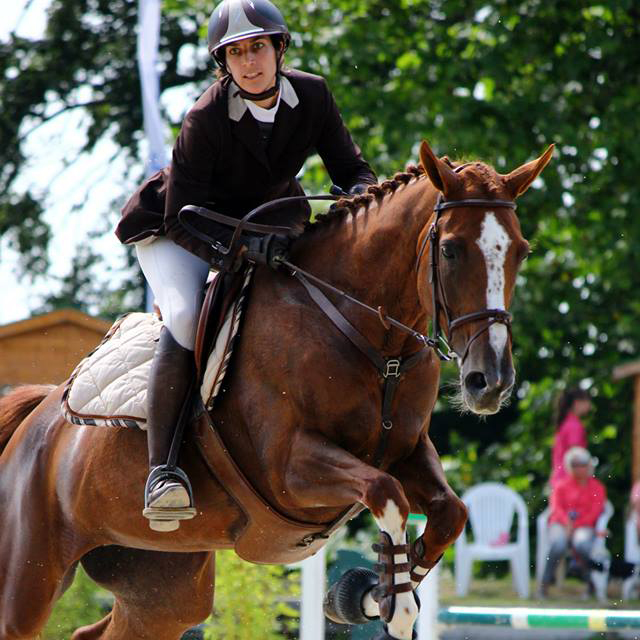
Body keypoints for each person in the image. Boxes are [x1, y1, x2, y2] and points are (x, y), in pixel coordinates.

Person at [114, 0, 377, 530]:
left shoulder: (315, 95)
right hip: (179, 231)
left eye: (258, 47)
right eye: (235, 53)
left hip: (266, 225)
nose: (249, 62)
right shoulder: (205, 117)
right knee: (187, 314)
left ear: (279, 49)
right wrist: (235, 254)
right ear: (224, 64)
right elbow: (181, 216)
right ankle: (162, 471)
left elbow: (352, 170)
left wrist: (367, 204)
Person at [538, 446, 607, 598]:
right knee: (558, 544)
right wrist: (566, 522)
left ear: (589, 465)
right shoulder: (561, 486)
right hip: (560, 524)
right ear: (569, 467)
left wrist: (576, 525)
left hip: (584, 526)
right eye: (575, 464)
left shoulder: (597, 487)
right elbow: (555, 508)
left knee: (582, 544)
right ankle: (544, 585)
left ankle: (591, 584)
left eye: (582, 464)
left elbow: (596, 511)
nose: (579, 468)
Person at [550, 388, 592, 488]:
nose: (589, 406)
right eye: (587, 402)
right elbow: (576, 456)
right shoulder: (574, 425)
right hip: (569, 480)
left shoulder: (565, 422)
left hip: (558, 477)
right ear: (577, 403)